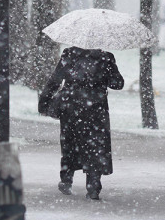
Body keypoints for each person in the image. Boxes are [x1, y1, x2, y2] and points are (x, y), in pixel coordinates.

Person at [40, 46, 124, 200]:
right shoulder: (105, 58)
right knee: (95, 147)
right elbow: (118, 84)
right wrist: (104, 76)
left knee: (70, 143)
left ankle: (66, 179)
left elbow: (55, 80)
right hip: (96, 110)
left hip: (71, 107)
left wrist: (44, 101)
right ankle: (93, 187)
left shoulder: (70, 54)